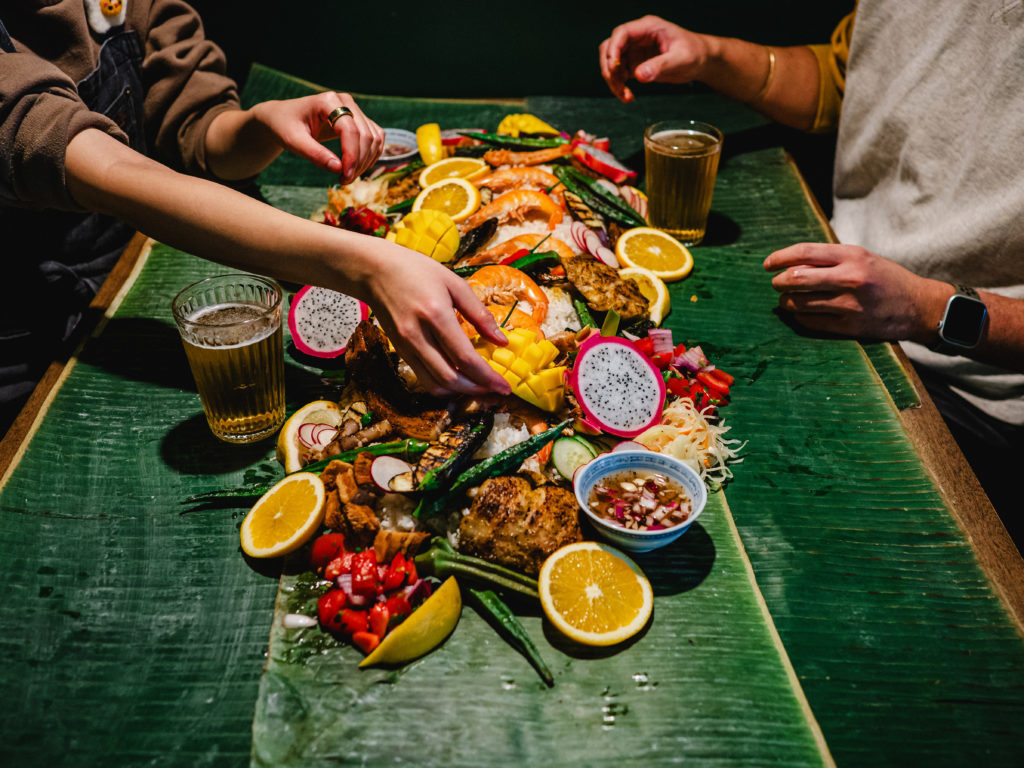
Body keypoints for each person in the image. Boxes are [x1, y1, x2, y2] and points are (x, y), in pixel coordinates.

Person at [599, 7, 1024, 547]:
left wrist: (924, 306)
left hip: (972, 392)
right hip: (836, 287)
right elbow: (848, 79)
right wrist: (711, 54)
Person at [0, 0, 509, 435]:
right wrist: (367, 266)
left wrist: (260, 125)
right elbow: (110, 172)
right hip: (23, 334)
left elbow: (193, 132)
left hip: (128, 276)